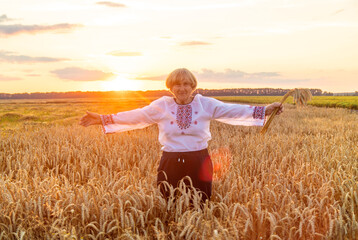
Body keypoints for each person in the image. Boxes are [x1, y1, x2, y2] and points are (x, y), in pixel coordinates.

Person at [79, 68, 283, 202]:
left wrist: (265, 110)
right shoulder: (162, 105)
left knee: (201, 204)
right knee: (168, 204)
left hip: (199, 161)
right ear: (171, 87)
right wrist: (102, 118)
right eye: (177, 84)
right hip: (170, 162)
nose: (182, 88)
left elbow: (233, 110)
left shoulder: (205, 104)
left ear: (193, 86)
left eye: (187, 84)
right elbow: (137, 116)